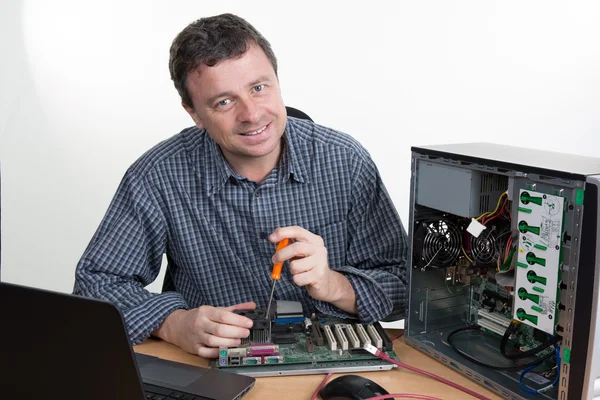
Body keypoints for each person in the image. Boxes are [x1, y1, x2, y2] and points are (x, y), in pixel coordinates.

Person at [74, 13, 409, 358]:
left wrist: (333, 284)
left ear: (278, 81)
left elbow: (406, 291)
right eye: (224, 101)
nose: (251, 114)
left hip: (336, 366)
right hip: (215, 371)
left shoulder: (345, 161)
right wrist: (173, 323)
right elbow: (94, 288)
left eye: (259, 88)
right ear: (193, 113)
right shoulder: (158, 175)